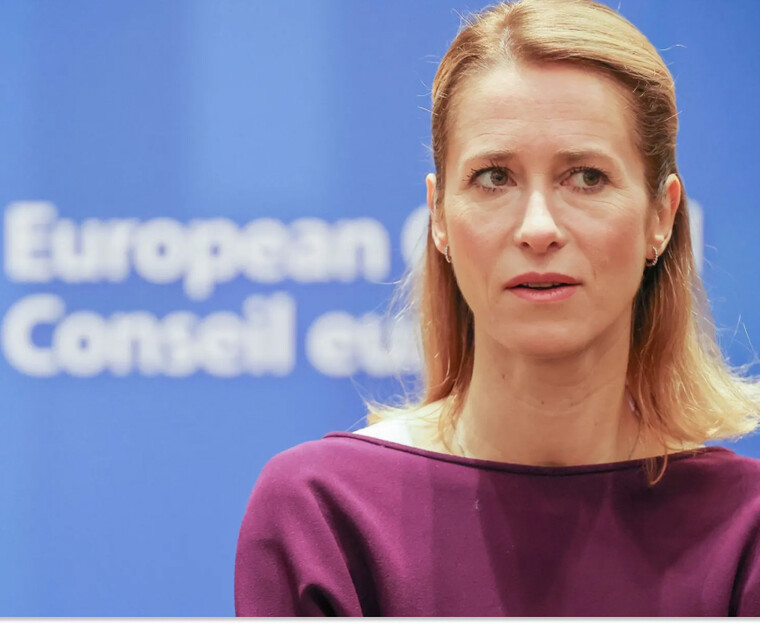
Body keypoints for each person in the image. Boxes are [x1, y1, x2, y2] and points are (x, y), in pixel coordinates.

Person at [234, 0, 760, 616]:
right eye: (494, 178)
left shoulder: (745, 527)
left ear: (662, 216)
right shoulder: (324, 513)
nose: (538, 228)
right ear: (438, 216)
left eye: (586, 177)